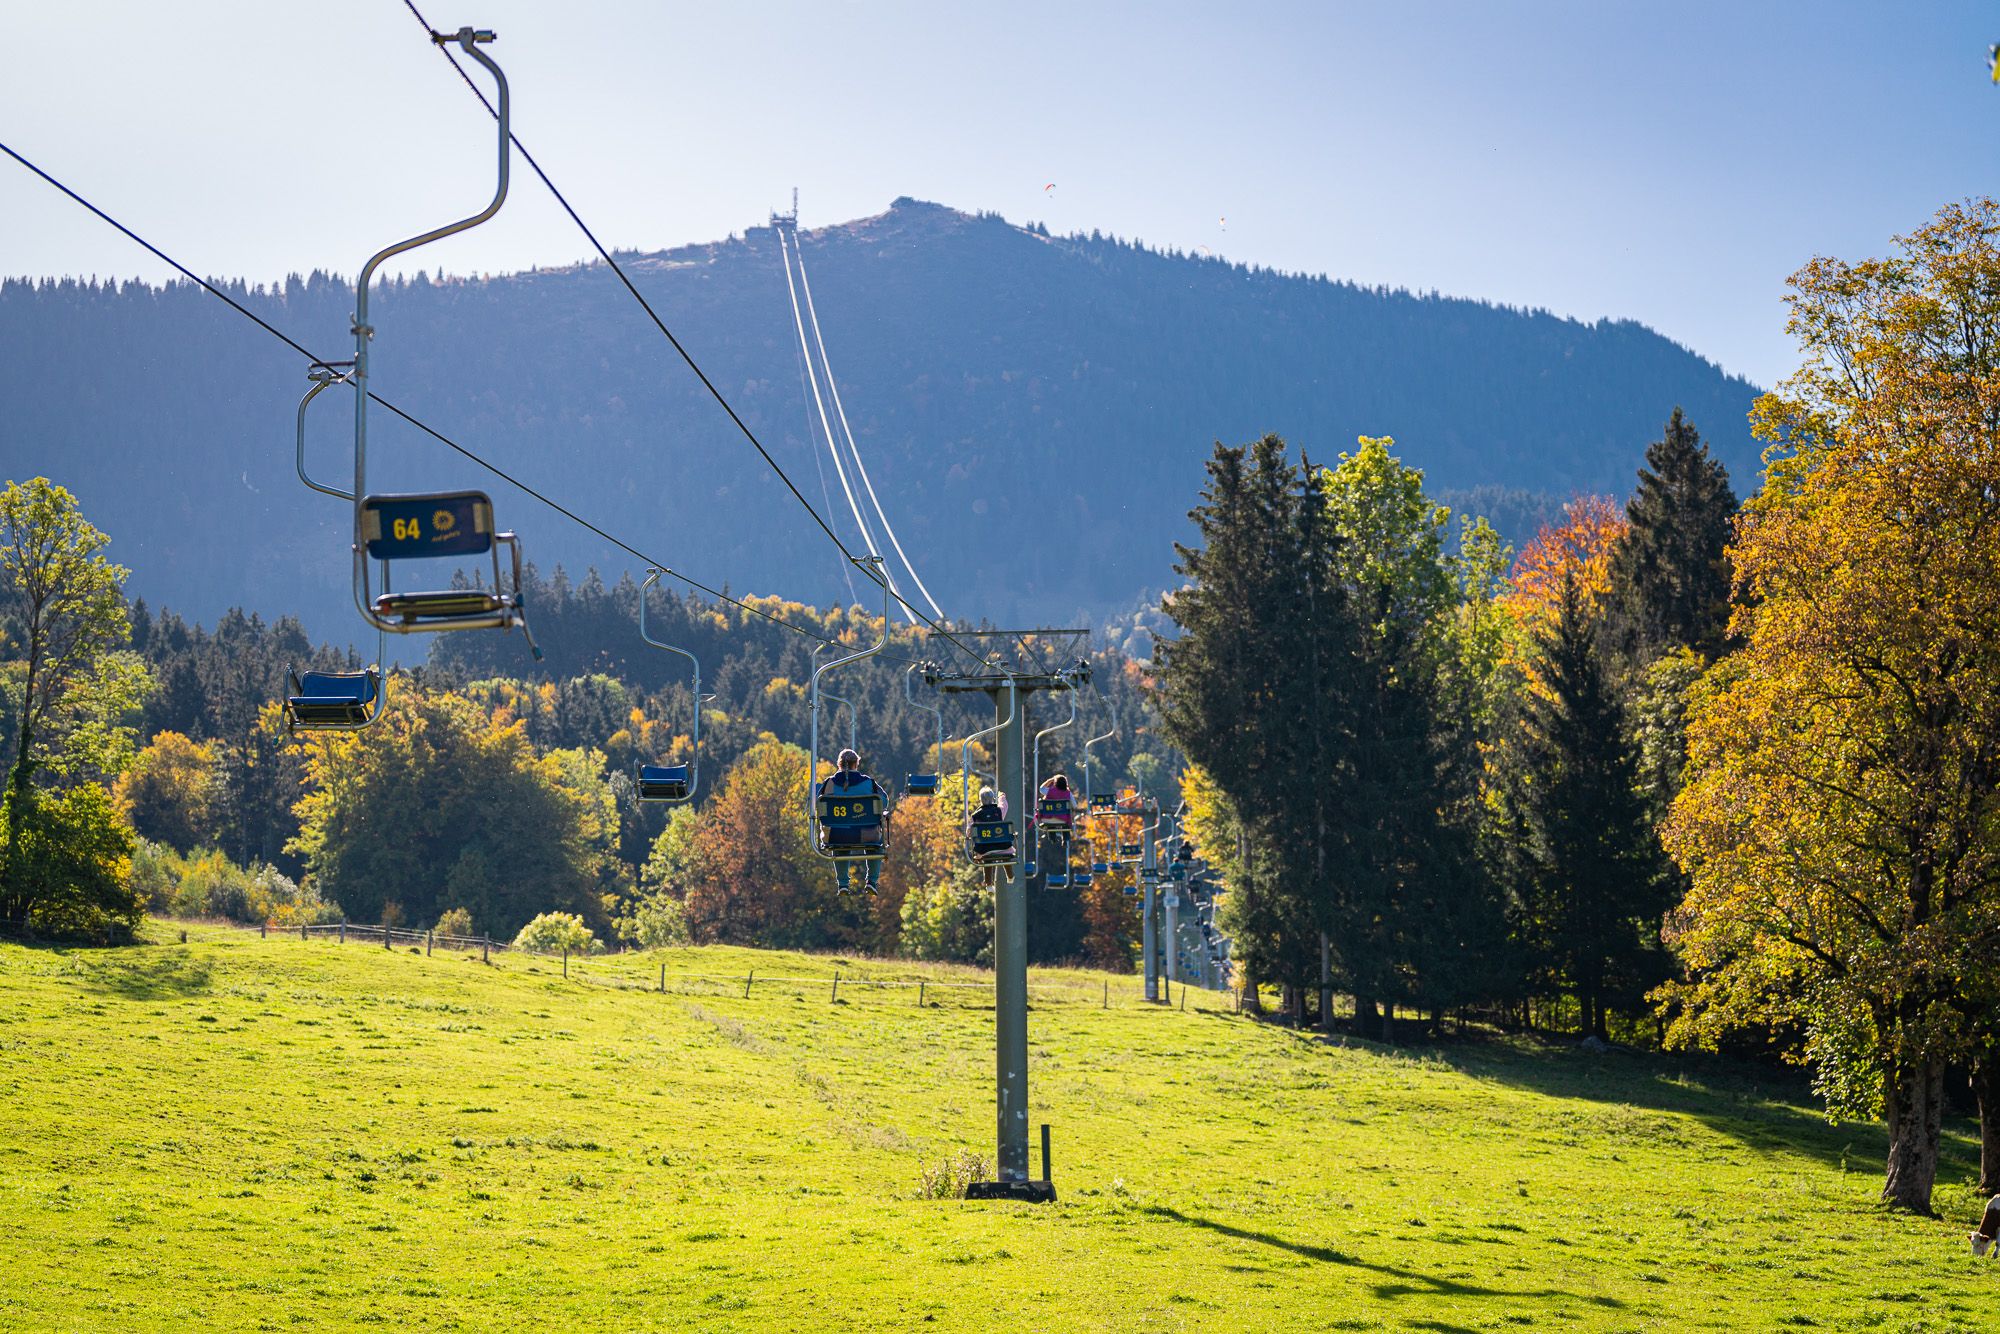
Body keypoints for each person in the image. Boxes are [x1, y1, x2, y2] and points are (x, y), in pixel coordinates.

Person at [817, 748, 885, 894]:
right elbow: (883, 801)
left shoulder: (829, 784)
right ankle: (872, 881)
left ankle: (843, 884)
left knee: (841, 836)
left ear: (839, 764)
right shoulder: (869, 783)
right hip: (866, 835)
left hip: (835, 835)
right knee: (875, 844)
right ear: (856, 764)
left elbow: (819, 806)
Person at [967, 786, 1010, 888]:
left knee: (987, 857)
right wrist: (1001, 796)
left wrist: (968, 835)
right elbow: (1004, 805)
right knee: (1005, 854)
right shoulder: (998, 811)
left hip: (983, 848)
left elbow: (969, 830)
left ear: (980, 800)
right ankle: (1010, 875)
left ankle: (989, 885)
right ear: (992, 799)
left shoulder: (976, 815)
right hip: (1001, 845)